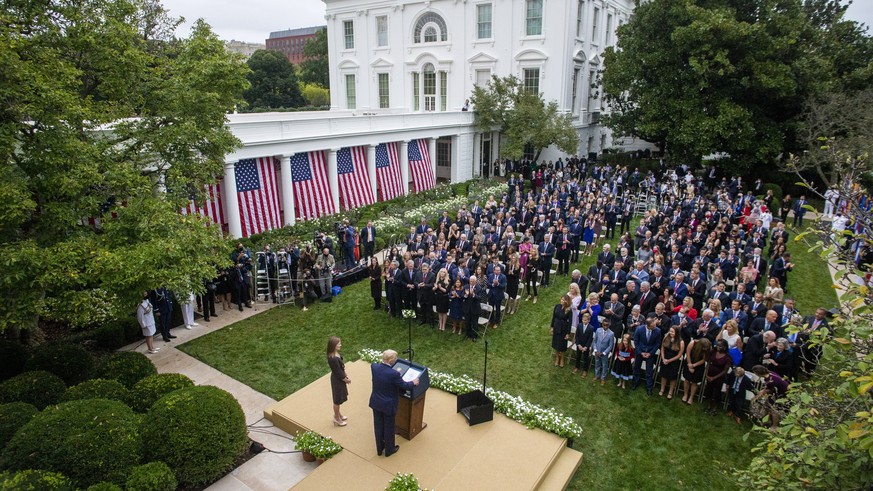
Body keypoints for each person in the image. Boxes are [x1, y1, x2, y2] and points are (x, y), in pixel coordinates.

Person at [369, 349, 419, 457]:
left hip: (376, 402)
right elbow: (404, 386)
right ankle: (389, 449)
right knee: (389, 427)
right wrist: (413, 382)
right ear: (391, 360)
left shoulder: (374, 367)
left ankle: (379, 449)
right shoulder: (394, 374)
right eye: (395, 358)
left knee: (378, 426)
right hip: (388, 405)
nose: (396, 360)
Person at [750, 364, 789, 430]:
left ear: (758, 373)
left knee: (774, 410)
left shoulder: (771, 381)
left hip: (782, 395)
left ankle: (774, 426)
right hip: (775, 392)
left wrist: (755, 398)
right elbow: (768, 388)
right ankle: (767, 421)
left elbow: (766, 390)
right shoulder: (770, 373)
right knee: (767, 406)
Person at [632, 318, 662, 395]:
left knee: (649, 370)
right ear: (648, 326)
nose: (655, 327)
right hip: (640, 352)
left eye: (655, 325)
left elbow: (657, 344)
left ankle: (649, 387)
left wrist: (651, 353)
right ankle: (635, 382)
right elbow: (636, 341)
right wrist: (640, 352)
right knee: (636, 367)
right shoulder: (639, 329)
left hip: (650, 353)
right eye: (653, 326)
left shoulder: (657, 331)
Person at [703, 339, 732, 415]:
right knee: (709, 390)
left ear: (725, 347)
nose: (718, 347)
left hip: (719, 377)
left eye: (720, 346)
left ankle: (715, 407)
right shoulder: (713, 352)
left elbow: (725, 371)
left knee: (717, 392)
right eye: (717, 345)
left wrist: (714, 378)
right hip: (709, 374)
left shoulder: (727, 358)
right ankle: (708, 405)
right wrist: (706, 373)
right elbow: (708, 362)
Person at [327, 336, 350, 426]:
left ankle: (338, 414)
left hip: (339, 378)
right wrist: (345, 379)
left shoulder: (336, 354)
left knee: (339, 398)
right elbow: (337, 371)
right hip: (337, 380)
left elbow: (340, 368)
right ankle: (336, 418)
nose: (340, 345)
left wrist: (345, 375)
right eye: (338, 344)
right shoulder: (332, 358)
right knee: (337, 400)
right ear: (333, 345)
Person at [682, 338, 712, 405]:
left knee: (695, 382)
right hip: (689, 361)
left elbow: (705, 359)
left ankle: (691, 397)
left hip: (699, 365)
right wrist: (690, 364)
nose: (704, 349)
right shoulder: (692, 343)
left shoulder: (709, 348)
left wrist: (694, 365)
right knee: (687, 380)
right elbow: (688, 353)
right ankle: (685, 394)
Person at [659, 327, 684, 398]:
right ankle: (662, 389)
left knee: (672, 377)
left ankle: (670, 392)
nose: (670, 333)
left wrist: (669, 360)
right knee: (663, 375)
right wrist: (663, 358)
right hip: (665, 358)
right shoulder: (666, 337)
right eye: (670, 331)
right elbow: (662, 348)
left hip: (674, 361)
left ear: (677, 333)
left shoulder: (681, 342)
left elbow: (679, 354)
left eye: (672, 332)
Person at [550, 295, 573, 368]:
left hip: (563, 328)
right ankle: (557, 358)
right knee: (556, 343)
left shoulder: (569, 310)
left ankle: (562, 359)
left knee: (562, 345)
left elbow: (570, 322)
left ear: (567, 301)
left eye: (564, 300)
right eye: (561, 299)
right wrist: (552, 326)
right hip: (556, 326)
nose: (562, 301)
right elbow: (554, 317)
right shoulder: (557, 306)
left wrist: (568, 333)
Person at [592, 319, 615, 386]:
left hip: (604, 353)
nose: (605, 326)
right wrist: (595, 350)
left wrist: (604, 353)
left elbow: (610, 345)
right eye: (604, 325)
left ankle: (603, 378)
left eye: (607, 325)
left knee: (605, 365)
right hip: (597, 351)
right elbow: (595, 341)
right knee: (597, 363)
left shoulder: (611, 333)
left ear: (609, 325)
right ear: (602, 324)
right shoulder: (598, 330)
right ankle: (597, 375)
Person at [573, 312, 596, 378]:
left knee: (586, 358)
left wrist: (586, 347)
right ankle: (577, 367)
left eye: (585, 320)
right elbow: (577, 336)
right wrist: (578, 344)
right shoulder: (579, 325)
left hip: (586, 346)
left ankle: (585, 370)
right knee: (578, 356)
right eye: (583, 320)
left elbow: (590, 339)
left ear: (589, 320)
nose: (584, 321)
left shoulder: (591, 328)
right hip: (579, 345)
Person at [463, 275, 485, 341]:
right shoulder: (466, 287)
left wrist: (473, 295)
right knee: (467, 322)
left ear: (475, 281)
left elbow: (480, 298)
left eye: (472, 281)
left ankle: (474, 336)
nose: (471, 282)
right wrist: (466, 295)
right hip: (467, 308)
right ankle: (468, 334)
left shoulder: (478, 288)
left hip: (475, 308)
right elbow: (462, 296)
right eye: (470, 281)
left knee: (475, 323)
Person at [487, 265, 507, 329]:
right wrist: (492, 284)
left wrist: (498, 284)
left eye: (499, 270)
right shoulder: (490, 276)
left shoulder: (503, 277)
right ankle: (491, 320)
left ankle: (496, 322)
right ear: (494, 270)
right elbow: (488, 284)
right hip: (491, 295)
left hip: (498, 295)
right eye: (496, 270)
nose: (498, 271)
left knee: (497, 309)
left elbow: (503, 286)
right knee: (491, 308)